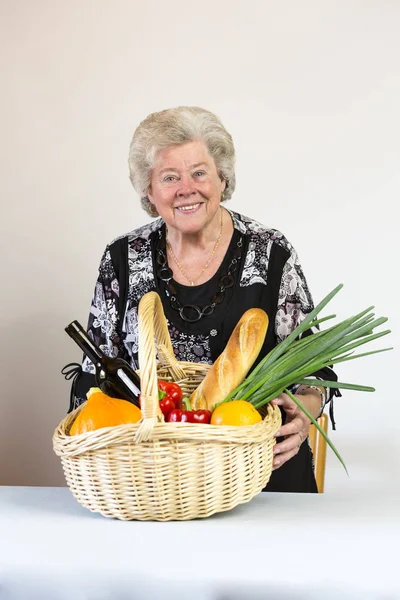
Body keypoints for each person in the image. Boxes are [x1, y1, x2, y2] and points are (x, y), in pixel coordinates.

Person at [71, 106, 339, 493]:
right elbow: (92, 376)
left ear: (222, 178)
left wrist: (307, 410)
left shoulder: (270, 252)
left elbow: (317, 367)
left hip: (259, 470)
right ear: (149, 191)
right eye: (169, 177)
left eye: (199, 172)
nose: (186, 188)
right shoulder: (122, 258)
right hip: (151, 479)